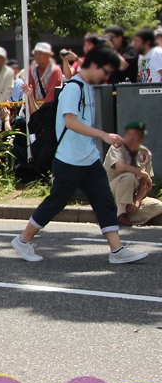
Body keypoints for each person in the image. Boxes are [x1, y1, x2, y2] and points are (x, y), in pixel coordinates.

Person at [11, 45, 149, 265]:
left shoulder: (87, 86)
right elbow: (71, 122)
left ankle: (117, 249)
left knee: (104, 201)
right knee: (56, 202)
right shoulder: (73, 89)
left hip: (89, 158)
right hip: (69, 159)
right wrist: (103, 135)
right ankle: (23, 239)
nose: (106, 74)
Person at [104, 120, 162, 226]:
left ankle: (120, 216)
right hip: (111, 193)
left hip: (131, 197)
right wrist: (143, 174)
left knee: (158, 206)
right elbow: (121, 167)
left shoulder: (145, 153)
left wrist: (137, 201)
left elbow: (145, 183)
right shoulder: (117, 147)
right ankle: (121, 214)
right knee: (129, 176)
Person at [24, 42, 62, 110]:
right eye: (36, 54)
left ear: (48, 55)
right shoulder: (32, 70)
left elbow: (51, 93)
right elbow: (31, 90)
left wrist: (42, 112)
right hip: (35, 108)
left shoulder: (55, 70)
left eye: (40, 54)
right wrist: (33, 110)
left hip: (50, 110)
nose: (37, 56)